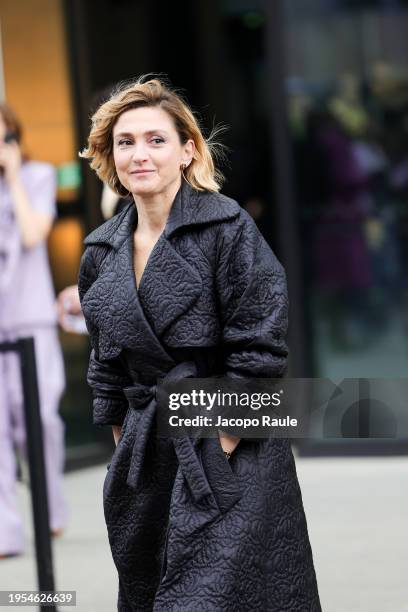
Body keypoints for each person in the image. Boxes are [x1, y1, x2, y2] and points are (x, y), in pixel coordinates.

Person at [78, 77, 321, 611]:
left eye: (156, 140)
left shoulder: (228, 228)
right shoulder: (101, 250)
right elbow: (108, 371)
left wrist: (221, 447)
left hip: (228, 454)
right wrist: (125, 450)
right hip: (147, 460)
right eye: (125, 142)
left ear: (188, 151)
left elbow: (261, 351)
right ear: (109, 155)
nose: (139, 154)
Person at [0, 104, 68, 558]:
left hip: (31, 317)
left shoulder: (39, 175)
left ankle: (50, 511)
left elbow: (31, 233)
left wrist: (14, 175)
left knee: (39, 416)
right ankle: (6, 533)